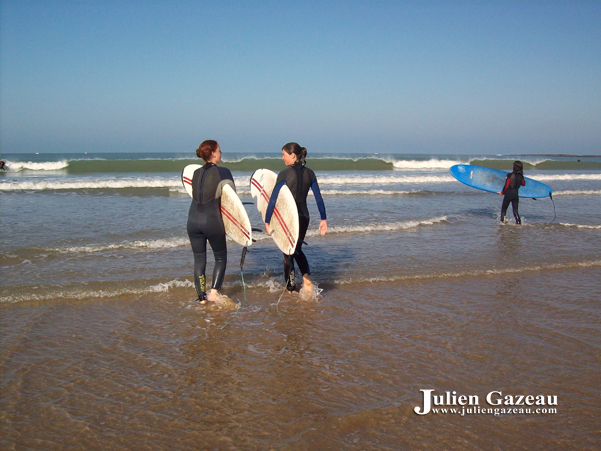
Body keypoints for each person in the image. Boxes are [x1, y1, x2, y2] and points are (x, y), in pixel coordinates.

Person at [264, 142, 327, 294]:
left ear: (292, 156)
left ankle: (290, 288)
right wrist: (323, 219)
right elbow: (319, 198)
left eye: (284, 155)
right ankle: (306, 277)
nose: (282, 158)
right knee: (297, 249)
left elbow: (273, 199)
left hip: (288, 218)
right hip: (304, 217)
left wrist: (267, 220)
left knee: (287, 251)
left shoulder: (284, 174)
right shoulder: (310, 173)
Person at [187, 140, 235, 304]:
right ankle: (214, 292)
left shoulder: (195, 173)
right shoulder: (224, 172)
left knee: (199, 259)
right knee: (220, 258)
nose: (221, 153)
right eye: (219, 150)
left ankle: (201, 297)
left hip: (192, 221)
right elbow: (231, 201)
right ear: (213, 153)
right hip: (212, 221)